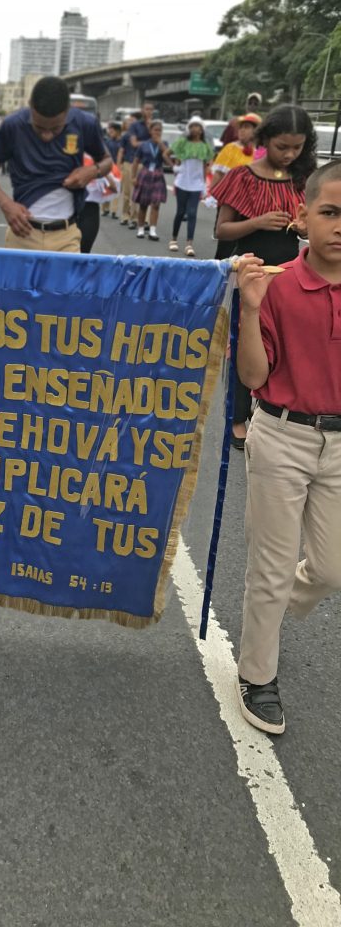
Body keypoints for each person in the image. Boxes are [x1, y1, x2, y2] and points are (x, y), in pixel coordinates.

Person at [233, 160, 341, 735]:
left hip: (340, 446)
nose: (340, 226)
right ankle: (257, 673)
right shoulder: (275, 285)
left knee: (330, 568)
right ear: (303, 216)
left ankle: (270, 613)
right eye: (330, 212)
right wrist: (249, 309)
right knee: (270, 568)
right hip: (281, 434)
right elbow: (252, 377)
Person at [212, 104, 316, 447]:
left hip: (291, 275)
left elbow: (320, 228)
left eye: (296, 148)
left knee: (286, 345)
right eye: (281, 146)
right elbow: (222, 231)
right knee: (246, 344)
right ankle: (237, 417)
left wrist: (304, 227)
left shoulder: (303, 180)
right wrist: (256, 222)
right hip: (251, 271)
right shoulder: (242, 176)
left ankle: (272, 410)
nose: (289, 154)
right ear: (266, 140)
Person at [0, 76, 109, 253]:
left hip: (67, 236)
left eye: (56, 128)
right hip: (22, 235)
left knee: (65, 282)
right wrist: (6, 204)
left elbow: (107, 161)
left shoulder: (84, 123)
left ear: (67, 111)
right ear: (30, 106)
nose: (46, 135)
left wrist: (93, 171)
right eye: (39, 128)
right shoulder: (13, 125)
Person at [167, 117, 214, 256]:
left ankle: (189, 244)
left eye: (197, 126)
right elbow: (166, 153)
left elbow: (208, 163)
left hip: (196, 184)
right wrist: (174, 167)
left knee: (192, 213)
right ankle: (173, 239)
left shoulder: (205, 146)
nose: (194, 129)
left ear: (201, 129)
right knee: (180, 212)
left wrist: (205, 184)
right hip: (182, 182)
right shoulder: (183, 142)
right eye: (192, 126)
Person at [130, 120, 173, 241]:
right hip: (145, 173)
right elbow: (136, 161)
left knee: (156, 204)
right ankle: (140, 229)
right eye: (155, 130)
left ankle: (153, 230)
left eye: (160, 130)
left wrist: (161, 145)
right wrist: (133, 177)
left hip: (158, 174)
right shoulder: (143, 145)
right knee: (143, 204)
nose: (157, 132)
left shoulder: (164, 144)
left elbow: (167, 159)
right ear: (150, 131)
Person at [209, 113, 261, 190]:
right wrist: (211, 192)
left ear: (255, 131)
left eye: (246, 127)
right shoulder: (230, 148)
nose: (242, 130)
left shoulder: (259, 154)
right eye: (240, 127)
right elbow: (218, 174)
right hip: (226, 194)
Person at [116, 113, 140, 228]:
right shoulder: (125, 136)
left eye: (133, 121)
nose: (131, 122)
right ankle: (125, 215)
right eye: (129, 121)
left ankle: (135, 218)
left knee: (136, 193)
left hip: (139, 165)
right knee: (126, 192)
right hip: (127, 164)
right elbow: (121, 151)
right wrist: (118, 165)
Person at [102, 121, 123, 220]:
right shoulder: (108, 141)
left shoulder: (122, 142)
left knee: (116, 187)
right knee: (106, 186)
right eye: (109, 131)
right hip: (108, 166)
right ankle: (105, 208)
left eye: (112, 131)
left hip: (118, 166)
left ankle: (114, 210)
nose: (110, 133)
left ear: (118, 131)